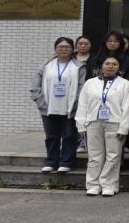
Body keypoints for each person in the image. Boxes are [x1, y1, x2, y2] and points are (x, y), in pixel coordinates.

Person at [75, 55, 129, 196]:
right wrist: (81, 125)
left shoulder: (125, 84)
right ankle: (93, 184)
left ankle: (109, 185)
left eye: (114, 64)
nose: (110, 66)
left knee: (113, 155)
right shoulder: (90, 83)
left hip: (115, 123)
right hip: (93, 122)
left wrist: (124, 127)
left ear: (118, 67)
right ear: (102, 66)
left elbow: (127, 107)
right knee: (94, 155)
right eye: (107, 63)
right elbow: (82, 104)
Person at [30, 37, 86, 172]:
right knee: (51, 136)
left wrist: (76, 103)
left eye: (67, 47)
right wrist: (39, 101)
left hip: (70, 108)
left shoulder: (79, 66)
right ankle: (51, 161)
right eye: (60, 46)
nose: (63, 49)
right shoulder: (46, 65)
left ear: (72, 49)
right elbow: (35, 85)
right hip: (48, 107)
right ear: (55, 49)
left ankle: (66, 162)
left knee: (69, 136)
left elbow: (82, 87)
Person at [73, 35, 93, 152]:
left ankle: (83, 143)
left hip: (88, 92)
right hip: (72, 91)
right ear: (76, 45)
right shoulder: (71, 58)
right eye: (80, 44)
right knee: (73, 119)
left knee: (85, 118)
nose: (83, 46)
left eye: (86, 44)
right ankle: (74, 143)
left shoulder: (94, 59)